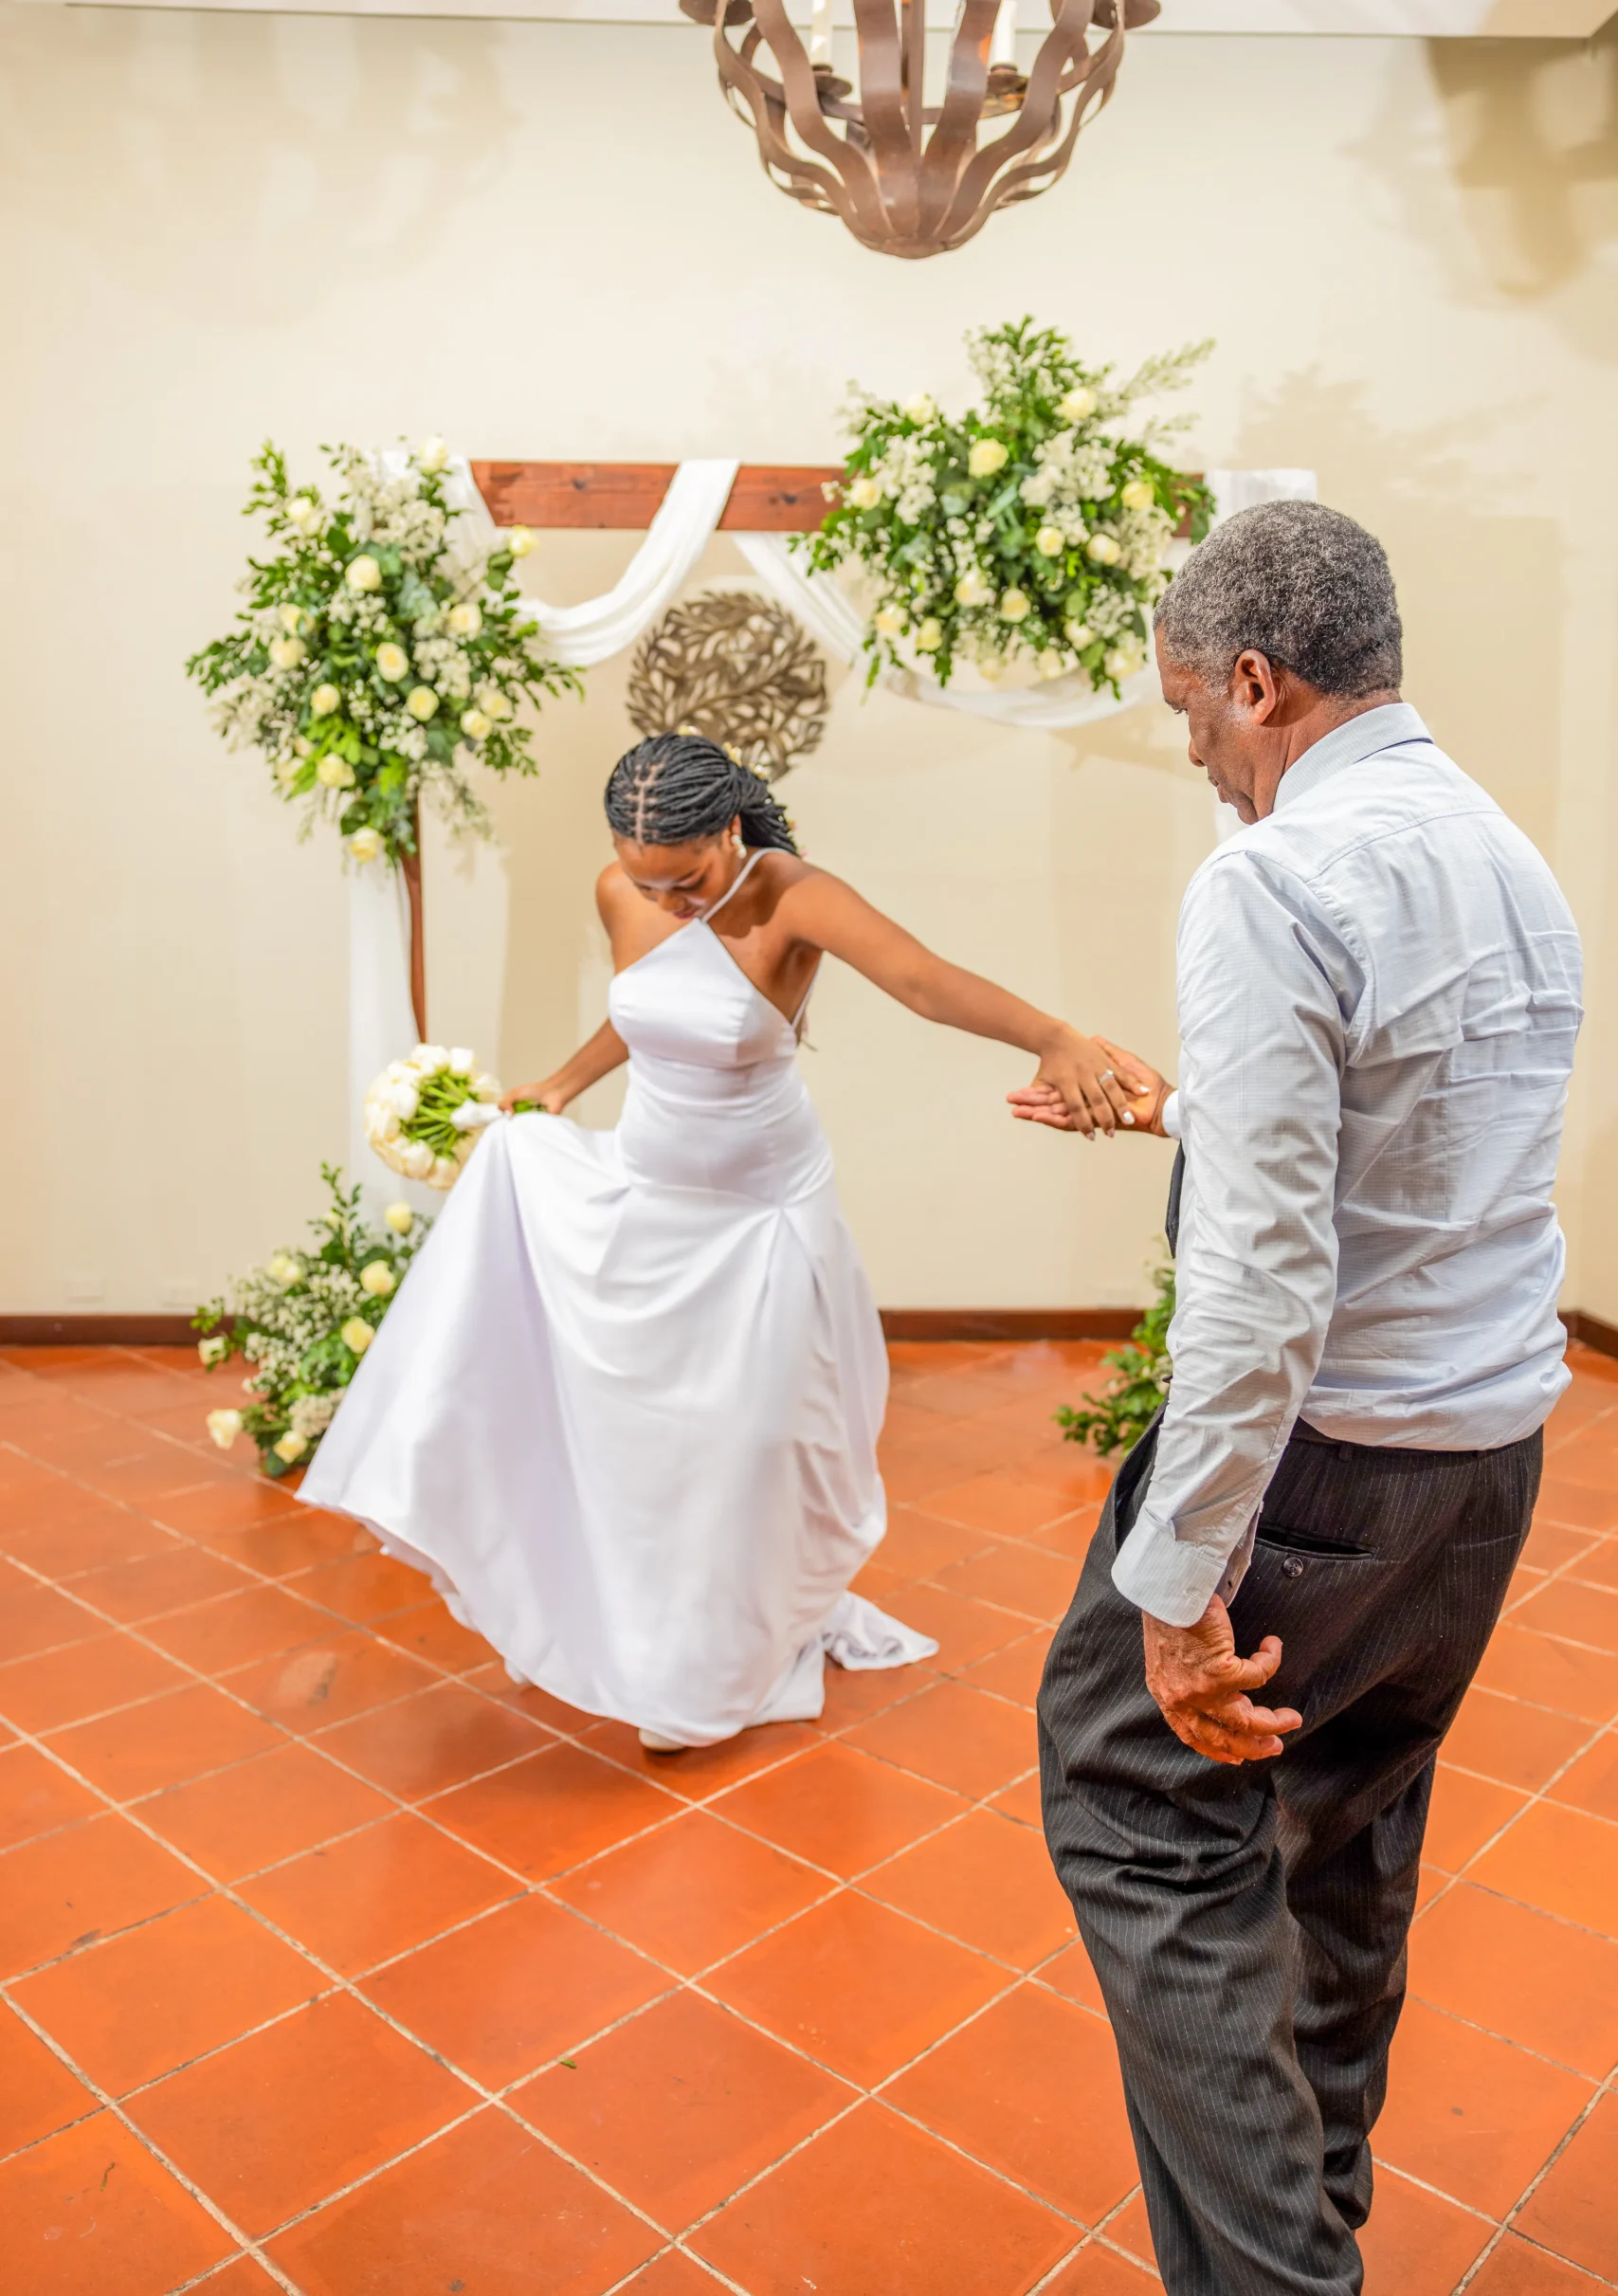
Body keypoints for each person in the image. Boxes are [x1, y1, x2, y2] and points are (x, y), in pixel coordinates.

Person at [1017, 501, 1582, 2296]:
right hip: (1484, 1464)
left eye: (1194, 723)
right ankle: (1316, 2209)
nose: (1202, 764)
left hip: (1326, 1477)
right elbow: (1418, 1153)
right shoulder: (1505, 853)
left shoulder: (1271, 880)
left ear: (1253, 680)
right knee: (1337, 1838)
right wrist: (1184, 1113)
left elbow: (1263, 1291)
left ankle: (1278, 2277)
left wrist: (1175, 1589)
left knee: (1128, 1799)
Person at [302, 729, 1147, 1752]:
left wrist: (1056, 1037)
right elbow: (650, 1011)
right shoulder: (629, 895)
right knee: (652, 1432)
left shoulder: (792, 894)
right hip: (649, 1194)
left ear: (731, 828)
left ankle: (745, 1633)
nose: (668, 904)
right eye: (644, 881)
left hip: (761, 1211)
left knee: (754, 1441)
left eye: (687, 879)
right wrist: (562, 1086)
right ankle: (644, 1632)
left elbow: (924, 981)